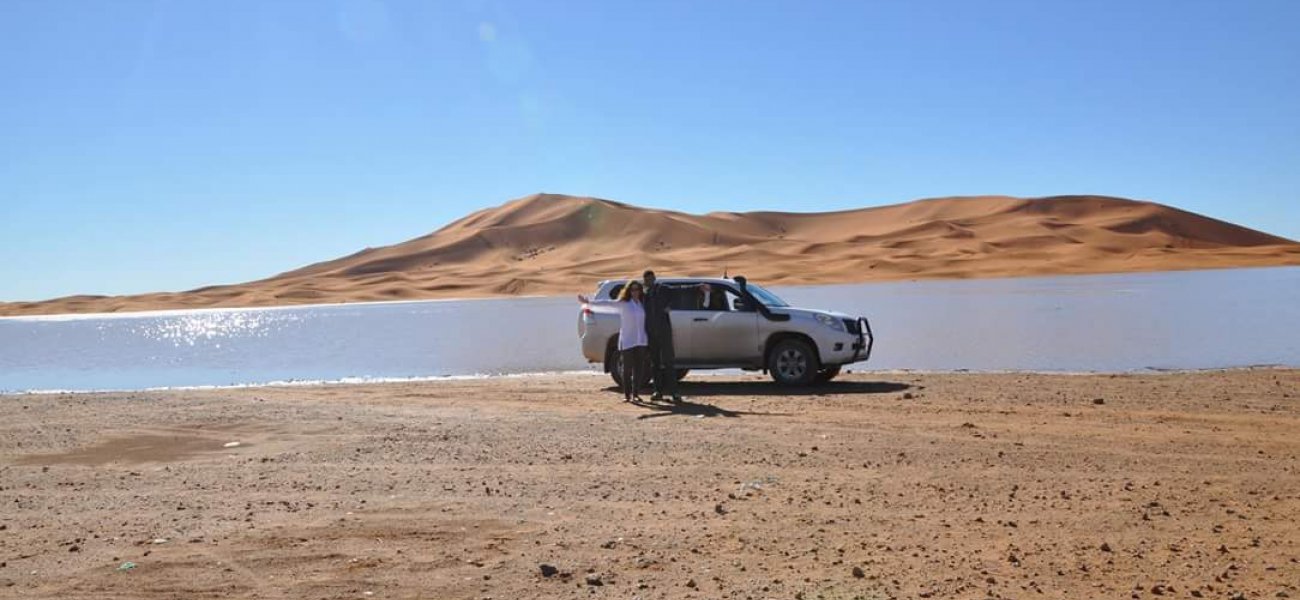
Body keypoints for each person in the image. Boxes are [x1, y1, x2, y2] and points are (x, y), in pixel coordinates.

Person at [579, 280, 649, 402]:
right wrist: (588, 303)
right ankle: (627, 395)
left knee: (639, 369)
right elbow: (607, 304)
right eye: (633, 290)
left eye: (637, 289)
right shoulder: (624, 304)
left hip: (641, 340)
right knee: (627, 369)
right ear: (628, 291)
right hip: (628, 340)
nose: (635, 292)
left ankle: (636, 394)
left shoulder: (642, 304)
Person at [642, 270, 683, 403]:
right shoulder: (645, 294)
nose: (649, 281)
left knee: (669, 362)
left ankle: (674, 392)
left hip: (664, 332)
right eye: (646, 279)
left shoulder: (663, 289)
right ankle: (657, 391)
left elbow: (679, 291)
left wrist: (670, 306)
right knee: (655, 363)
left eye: (650, 278)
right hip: (651, 333)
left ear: (654, 278)